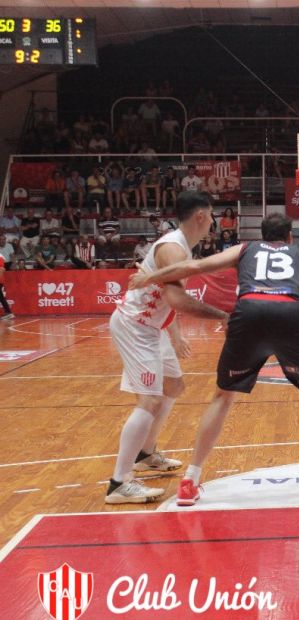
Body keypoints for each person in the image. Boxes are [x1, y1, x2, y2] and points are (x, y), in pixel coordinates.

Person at [127, 213, 299, 505]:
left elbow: (195, 266)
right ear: (290, 236)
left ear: (262, 236)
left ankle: (190, 480)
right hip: (291, 313)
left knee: (222, 396)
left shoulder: (244, 249)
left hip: (250, 312)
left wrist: (149, 276)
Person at [105, 191, 231, 504]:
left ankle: (145, 454)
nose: (213, 222)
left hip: (154, 327)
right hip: (136, 326)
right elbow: (176, 299)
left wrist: (174, 334)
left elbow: (164, 298)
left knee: (173, 386)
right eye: (211, 215)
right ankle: (119, 483)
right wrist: (222, 315)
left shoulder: (180, 246)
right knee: (149, 400)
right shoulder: (173, 249)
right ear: (200, 216)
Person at [0, 253, 12, 320]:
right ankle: (8, 312)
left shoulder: (0, 258)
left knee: (1, 297)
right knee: (1, 297)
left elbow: (1, 269)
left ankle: (9, 312)